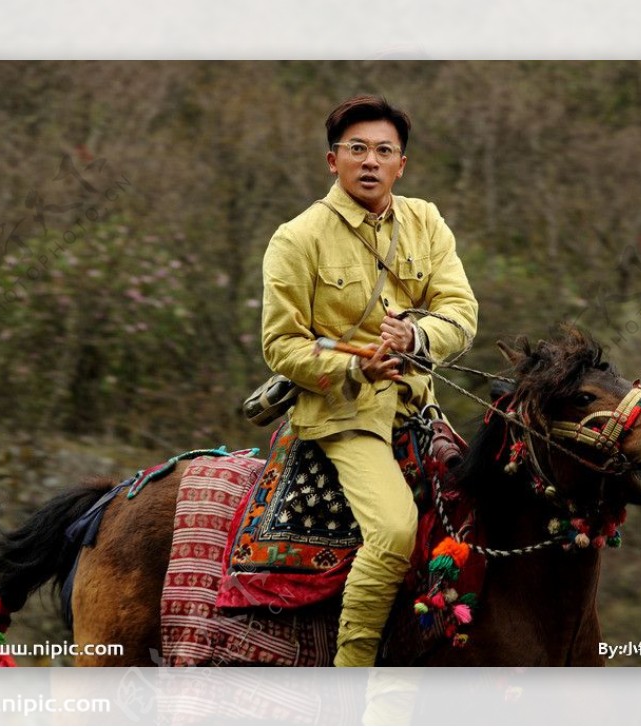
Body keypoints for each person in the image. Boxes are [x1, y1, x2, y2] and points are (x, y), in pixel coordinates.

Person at [261, 95, 478, 667]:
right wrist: (357, 365)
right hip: (343, 416)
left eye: (384, 151)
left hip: (421, 409)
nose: (370, 162)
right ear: (332, 161)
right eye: (357, 150)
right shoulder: (297, 238)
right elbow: (280, 345)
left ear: (400, 165)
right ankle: (350, 677)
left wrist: (417, 338)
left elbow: (461, 312)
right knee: (395, 531)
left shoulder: (425, 221)